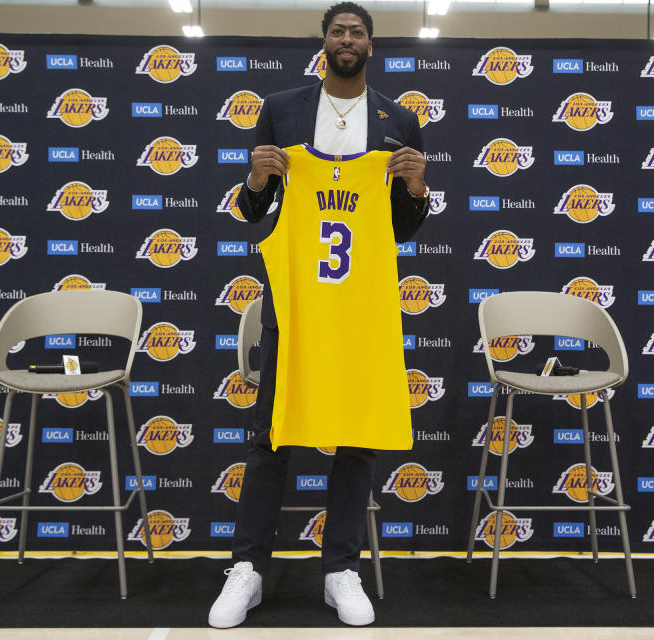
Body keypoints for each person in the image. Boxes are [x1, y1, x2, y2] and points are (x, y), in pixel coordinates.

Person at [208, 1, 428, 628]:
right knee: (271, 435)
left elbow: (403, 231)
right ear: (325, 41)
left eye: (358, 32)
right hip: (297, 308)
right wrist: (254, 180)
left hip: (359, 309)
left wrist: (416, 189)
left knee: (356, 439)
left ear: (370, 44)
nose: (348, 39)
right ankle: (247, 568)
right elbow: (256, 213)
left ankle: (340, 569)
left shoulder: (400, 121)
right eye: (339, 31)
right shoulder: (279, 110)